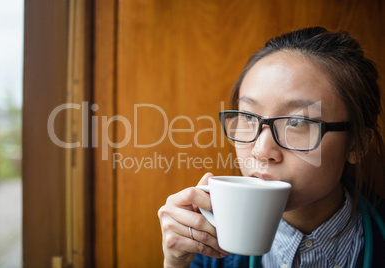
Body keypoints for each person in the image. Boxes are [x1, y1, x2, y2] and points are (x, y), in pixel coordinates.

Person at [158, 27, 385, 268]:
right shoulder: (206, 247)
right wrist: (175, 264)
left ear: (356, 144)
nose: (261, 151)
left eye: (297, 122)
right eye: (247, 117)